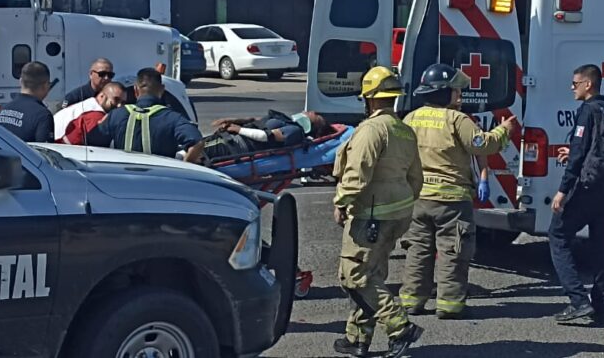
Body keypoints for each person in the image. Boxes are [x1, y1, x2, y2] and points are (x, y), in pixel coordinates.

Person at [398, 64, 518, 320]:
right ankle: (450, 305)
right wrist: (504, 131)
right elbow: (482, 145)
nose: (459, 96)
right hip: (451, 201)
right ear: (444, 93)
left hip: (418, 199)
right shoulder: (457, 120)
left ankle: (411, 301)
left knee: (418, 250)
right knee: (453, 252)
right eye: (455, 91)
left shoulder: (411, 118)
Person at [331, 66, 424, 358]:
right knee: (371, 273)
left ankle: (400, 328)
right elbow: (416, 178)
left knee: (354, 276)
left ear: (370, 99)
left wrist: (342, 201)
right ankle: (357, 337)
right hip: (397, 213)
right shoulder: (403, 130)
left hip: (371, 214)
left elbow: (357, 173)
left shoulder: (372, 129)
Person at [550, 64, 604, 327]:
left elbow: (578, 154)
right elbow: (597, 149)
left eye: (575, 83)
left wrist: (562, 191)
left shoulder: (587, 110)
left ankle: (578, 300)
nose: (571, 88)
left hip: (586, 188)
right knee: (601, 246)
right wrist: (574, 155)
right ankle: (602, 307)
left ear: (588, 85)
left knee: (558, 235)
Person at [86, 68, 206, 162]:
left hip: (123, 181)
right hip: (159, 182)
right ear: (162, 89)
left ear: (135, 90)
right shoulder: (172, 118)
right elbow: (197, 142)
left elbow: (91, 142)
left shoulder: (116, 115)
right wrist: (185, 166)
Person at [200, 110, 329, 162]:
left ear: (312, 125)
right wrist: (233, 120)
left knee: (196, 151)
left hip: (238, 145)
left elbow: (266, 136)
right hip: (232, 138)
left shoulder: (295, 131)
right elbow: (257, 121)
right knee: (194, 146)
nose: (311, 111)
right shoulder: (286, 120)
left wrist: (238, 129)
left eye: (315, 115)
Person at [0, 61, 55, 142]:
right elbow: (45, 152)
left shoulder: (2, 112)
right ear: (46, 85)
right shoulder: (43, 116)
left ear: (20, 81)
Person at [54, 82, 126, 145]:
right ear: (102, 96)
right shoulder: (95, 116)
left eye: (123, 102)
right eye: (116, 99)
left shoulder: (85, 106)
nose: (119, 105)